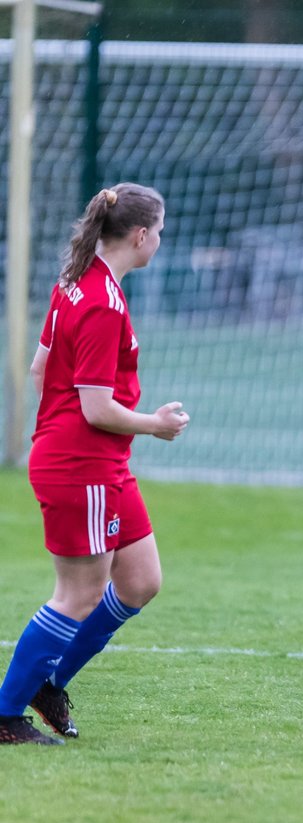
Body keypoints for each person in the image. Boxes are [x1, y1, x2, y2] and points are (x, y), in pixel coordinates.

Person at [0, 184, 189, 746]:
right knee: (78, 593)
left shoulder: (77, 282)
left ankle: (49, 683)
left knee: (139, 581)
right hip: (81, 464)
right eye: (159, 231)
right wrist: (155, 424)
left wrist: (62, 428)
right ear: (139, 235)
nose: (159, 240)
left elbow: (41, 371)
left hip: (97, 461)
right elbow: (96, 407)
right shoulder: (102, 302)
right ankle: (7, 714)